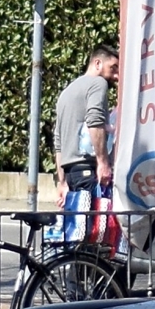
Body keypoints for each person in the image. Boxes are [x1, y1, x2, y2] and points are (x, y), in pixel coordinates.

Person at [52, 44, 118, 241]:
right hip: (89, 171)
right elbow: (94, 120)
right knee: (93, 236)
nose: (115, 75)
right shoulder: (97, 84)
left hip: (72, 173)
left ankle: (77, 272)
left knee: (78, 235)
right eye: (113, 68)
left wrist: (62, 182)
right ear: (97, 63)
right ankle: (90, 272)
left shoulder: (67, 91)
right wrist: (103, 163)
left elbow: (58, 140)